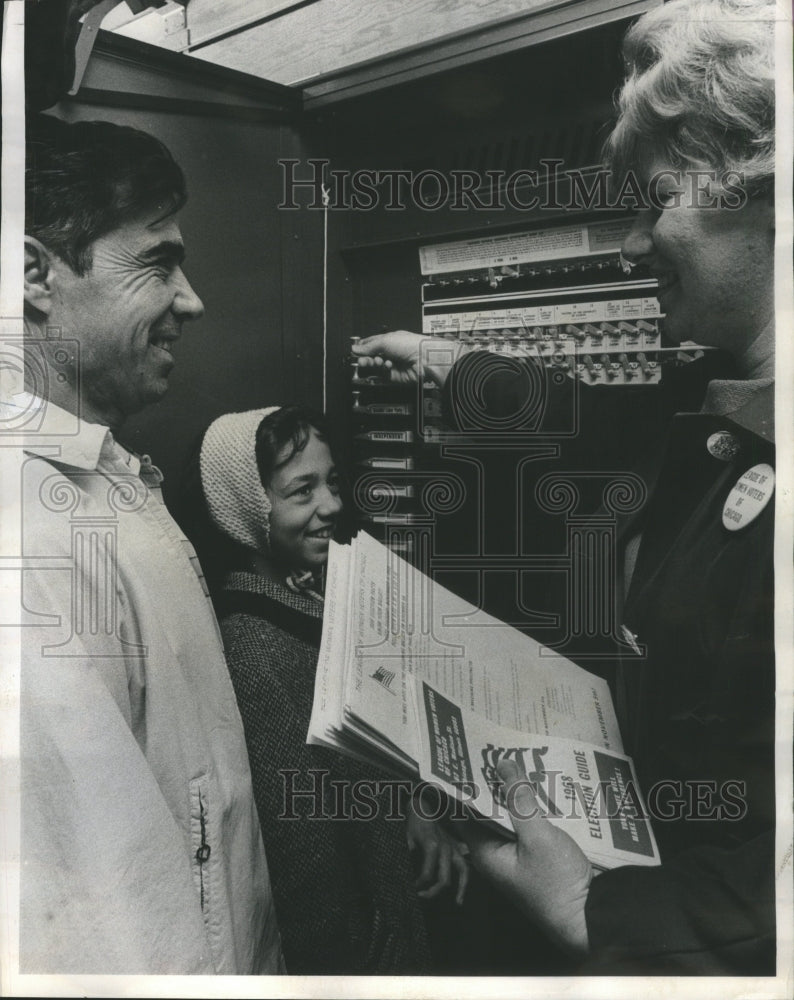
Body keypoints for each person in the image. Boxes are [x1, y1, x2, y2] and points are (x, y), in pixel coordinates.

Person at [351, 0, 777, 974]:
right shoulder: (716, 402)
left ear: (761, 191)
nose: (631, 245)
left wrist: (595, 912)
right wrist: (445, 362)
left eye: (656, 199)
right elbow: (598, 418)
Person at [15, 115, 283, 973]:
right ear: (31, 275)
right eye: (156, 262)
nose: (192, 299)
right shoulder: (33, 536)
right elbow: (110, 932)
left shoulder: (102, 473)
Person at [179, 404, 469, 974]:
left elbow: (352, 758)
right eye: (302, 491)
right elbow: (304, 854)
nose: (332, 506)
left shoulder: (309, 596)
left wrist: (414, 807)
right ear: (245, 510)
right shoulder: (254, 649)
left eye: (332, 482)